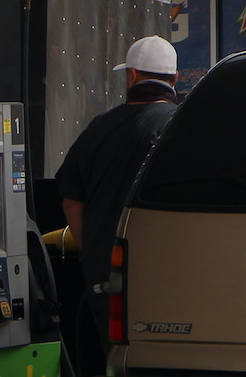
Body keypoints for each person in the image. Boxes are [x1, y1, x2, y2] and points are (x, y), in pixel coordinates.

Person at [57, 36, 181, 294]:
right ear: (175, 78)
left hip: (105, 275)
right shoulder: (183, 126)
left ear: (132, 75)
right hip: (167, 272)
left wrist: (90, 253)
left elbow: (71, 201)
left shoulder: (98, 128)